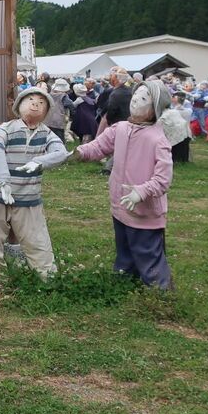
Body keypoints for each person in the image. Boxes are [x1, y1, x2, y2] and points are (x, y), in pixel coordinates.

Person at [75, 79, 175, 290]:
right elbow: (98, 146)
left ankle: (160, 291)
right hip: (120, 205)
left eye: (144, 98)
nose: (136, 100)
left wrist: (142, 192)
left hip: (144, 211)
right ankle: (124, 281)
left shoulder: (157, 139)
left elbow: (163, 179)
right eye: (136, 95)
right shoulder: (120, 128)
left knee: (147, 251)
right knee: (125, 248)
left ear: (155, 108)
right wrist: (79, 152)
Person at [0, 86, 69, 280]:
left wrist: (39, 162)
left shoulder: (46, 134)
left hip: (29, 198)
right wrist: (4, 182)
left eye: (41, 102)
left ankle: (48, 279)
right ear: (19, 105)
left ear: (46, 111)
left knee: (37, 240)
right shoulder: (3, 129)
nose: (35, 104)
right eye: (30, 99)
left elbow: (61, 153)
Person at [160, 91, 192, 164]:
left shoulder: (173, 111)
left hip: (179, 132)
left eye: (173, 97)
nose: (172, 99)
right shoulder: (183, 110)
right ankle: (182, 160)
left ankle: (178, 160)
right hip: (185, 132)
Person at [46, 78, 70, 142]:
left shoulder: (48, 95)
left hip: (48, 119)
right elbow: (71, 106)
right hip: (59, 121)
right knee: (60, 139)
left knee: (49, 138)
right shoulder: (64, 96)